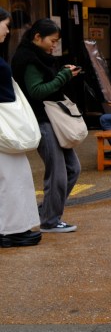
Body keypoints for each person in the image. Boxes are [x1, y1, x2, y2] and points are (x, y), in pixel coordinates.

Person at [11, 19, 81, 234]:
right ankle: (50, 220)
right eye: (52, 40)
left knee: (72, 168)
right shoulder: (28, 58)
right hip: (40, 120)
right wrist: (64, 76)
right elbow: (37, 91)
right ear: (37, 37)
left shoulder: (40, 57)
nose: (54, 45)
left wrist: (62, 73)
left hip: (51, 120)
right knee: (58, 172)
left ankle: (47, 211)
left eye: (57, 41)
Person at [0, 7, 41, 248]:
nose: (7, 30)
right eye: (5, 24)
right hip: (5, 122)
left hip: (6, 121)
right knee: (11, 177)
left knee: (13, 176)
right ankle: (10, 230)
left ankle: (13, 228)